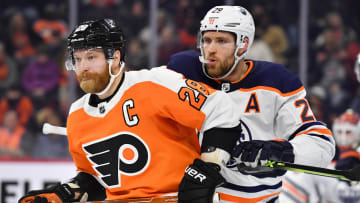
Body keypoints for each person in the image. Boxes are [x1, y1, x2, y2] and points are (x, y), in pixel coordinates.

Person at [18, 18, 242, 203]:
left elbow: (220, 109)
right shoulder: (77, 114)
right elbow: (97, 178)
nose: (82, 67)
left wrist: (208, 169)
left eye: (91, 57)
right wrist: (66, 192)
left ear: (115, 58)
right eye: (77, 59)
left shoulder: (155, 83)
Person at [167, 5, 336, 202]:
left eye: (221, 41)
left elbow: (321, 144)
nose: (210, 49)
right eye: (206, 40)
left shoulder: (276, 82)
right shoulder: (182, 72)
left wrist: (280, 151)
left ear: (243, 44)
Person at [279, 109, 360, 203]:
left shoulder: (351, 156)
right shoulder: (327, 151)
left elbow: (346, 194)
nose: (343, 138)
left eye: (348, 132)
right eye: (340, 132)